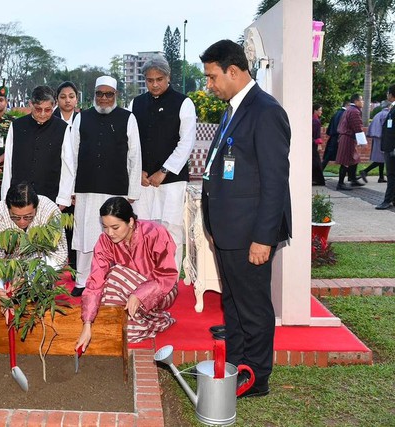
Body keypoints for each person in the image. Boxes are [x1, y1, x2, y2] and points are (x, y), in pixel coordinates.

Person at [200, 40, 292, 398]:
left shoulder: (265, 111)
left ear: (233, 72)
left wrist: (263, 238)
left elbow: (274, 181)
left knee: (252, 307)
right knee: (233, 303)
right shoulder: (233, 108)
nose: (209, 84)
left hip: (250, 233)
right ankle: (236, 366)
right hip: (227, 230)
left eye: (212, 77)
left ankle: (256, 378)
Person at [70, 75, 142, 297]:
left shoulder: (128, 118)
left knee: (117, 237)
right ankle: (82, 281)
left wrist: (132, 193)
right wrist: (70, 190)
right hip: (86, 187)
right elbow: (71, 155)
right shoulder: (82, 118)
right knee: (85, 236)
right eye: (99, 94)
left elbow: (135, 156)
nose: (103, 98)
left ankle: (114, 282)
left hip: (116, 188)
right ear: (94, 95)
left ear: (116, 95)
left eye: (108, 94)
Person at [75, 197, 178, 347]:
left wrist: (139, 294)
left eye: (115, 227)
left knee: (115, 274)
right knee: (108, 284)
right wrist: (88, 323)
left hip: (163, 290)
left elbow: (166, 275)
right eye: (105, 227)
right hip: (129, 289)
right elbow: (95, 282)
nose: (109, 233)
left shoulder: (155, 232)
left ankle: (151, 321)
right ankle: (147, 322)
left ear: (130, 222)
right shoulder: (105, 240)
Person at [128, 56, 197, 268]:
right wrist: (137, 171)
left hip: (172, 178)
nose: (155, 84)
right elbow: (130, 141)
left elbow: (186, 142)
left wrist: (164, 171)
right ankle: (145, 273)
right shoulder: (136, 103)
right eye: (150, 80)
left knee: (171, 226)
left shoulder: (183, 103)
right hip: (144, 179)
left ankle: (171, 277)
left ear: (168, 77)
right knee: (143, 226)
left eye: (159, 79)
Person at [0, 182, 67, 303]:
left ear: (36, 207)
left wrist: (29, 276)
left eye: (28, 217)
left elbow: (59, 254)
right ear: (8, 208)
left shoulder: (50, 211)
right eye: (15, 217)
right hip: (7, 271)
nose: (22, 222)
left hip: (40, 272)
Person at [0, 85, 74, 208]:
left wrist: (63, 198)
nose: (43, 114)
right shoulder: (17, 126)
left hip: (50, 197)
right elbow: (8, 163)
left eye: (48, 110)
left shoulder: (62, 128)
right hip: (19, 197)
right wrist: (5, 197)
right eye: (38, 109)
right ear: (30, 104)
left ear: (54, 106)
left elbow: (68, 165)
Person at [53, 81, 80, 270]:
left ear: (77, 99)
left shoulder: (84, 120)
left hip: (77, 184)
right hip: (55, 182)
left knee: (73, 229)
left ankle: (74, 267)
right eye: (63, 97)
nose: (67, 101)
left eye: (71, 96)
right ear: (57, 100)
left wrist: (76, 188)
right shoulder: (51, 120)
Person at [335, 94, 365, 191]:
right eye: (361, 100)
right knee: (345, 161)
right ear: (356, 101)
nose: (363, 102)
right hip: (348, 138)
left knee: (354, 159)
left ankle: (352, 179)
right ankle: (340, 183)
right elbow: (357, 126)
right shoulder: (354, 111)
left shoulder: (349, 109)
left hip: (347, 137)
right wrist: (362, 141)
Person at [375, 85, 395, 210]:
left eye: (388, 93)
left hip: (392, 148)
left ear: (391, 94)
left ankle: (387, 200)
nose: (386, 95)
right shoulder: (392, 109)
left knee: (391, 175)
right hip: (389, 147)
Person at [359, 104, 389, 184]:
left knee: (380, 158)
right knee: (382, 158)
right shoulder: (387, 115)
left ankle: (381, 177)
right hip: (383, 138)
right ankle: (365, 171)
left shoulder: (379, 114)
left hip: (377, 137)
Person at [322, 100, 349, 170]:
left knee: (327, 157)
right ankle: (349, 177)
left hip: (333, 137)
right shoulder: (345, 114)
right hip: (339, 137)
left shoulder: (337, 113)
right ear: (347, 105)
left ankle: (318, 174)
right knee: (345, 157)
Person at [312, 104, 326, 186]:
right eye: (320, 110)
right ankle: (318, 180)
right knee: (316, 162)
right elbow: (317, 135)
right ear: (315, 110)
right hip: (314, 144)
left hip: (312, 143)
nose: (321, 112)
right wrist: (319, 144)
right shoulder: (316, 121)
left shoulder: (313, 120)